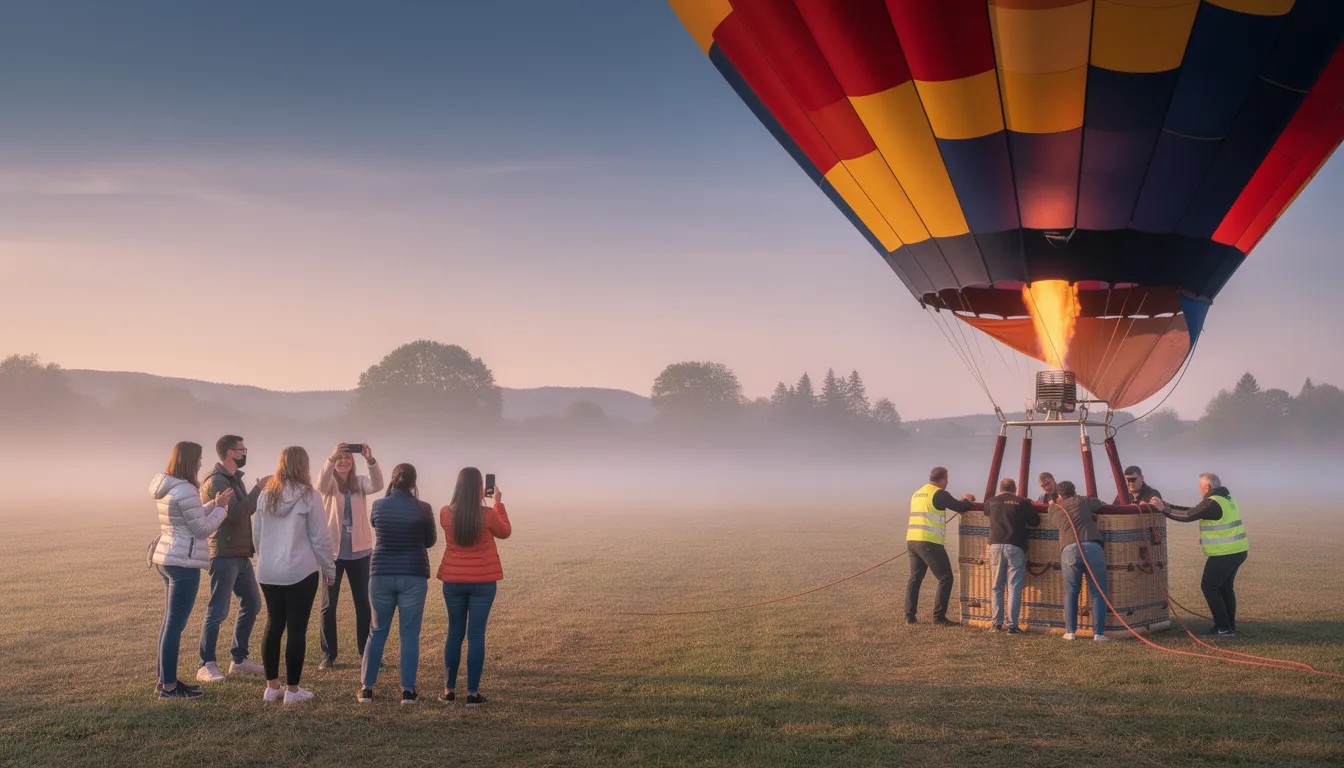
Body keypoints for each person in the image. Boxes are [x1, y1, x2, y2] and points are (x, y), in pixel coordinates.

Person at [149, 441, 234, 700]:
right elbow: (200, 529)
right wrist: (221, 511)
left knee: (169, 623)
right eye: (198, 459)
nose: (200, 463)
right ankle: (170, 687)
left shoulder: (169, 486)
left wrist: (213, 504)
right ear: (190, 461)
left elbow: (187, 518)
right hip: (183, 562)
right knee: (175, 624)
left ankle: (165, 681)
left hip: (167, 556)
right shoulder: (186, 489)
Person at [253, 446, 336, 704]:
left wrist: (265, 557)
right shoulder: (309, 495)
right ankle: (293, 689)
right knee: (296, 629)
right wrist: (329, 568)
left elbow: (257, 534)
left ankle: (272, 687)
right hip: (300, 570)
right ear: (304, 466)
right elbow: (320, 537)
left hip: (268, 571)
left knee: (273, 624)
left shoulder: (265, 495)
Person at [359, 463, 437, 705]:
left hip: (381, 573)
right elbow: (431, 541)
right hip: (412, 574)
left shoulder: (378, 505)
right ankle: (407, 691)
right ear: (414, 483)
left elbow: (376, 525)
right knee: (409, 634)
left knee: (377, 632)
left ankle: (366, 688)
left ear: (393, 481)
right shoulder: (423, 508)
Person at [437, 467, 512, 706]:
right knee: (476, 634)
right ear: (480, 487)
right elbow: (505, 532)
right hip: (483, 581)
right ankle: (472, 693)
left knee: (454, 633)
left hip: (453, 581)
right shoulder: (488, 515)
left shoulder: (446, 513)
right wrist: (497, 503)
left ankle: (449, 690)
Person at [196, 434, 265, 683]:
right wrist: (259, 488)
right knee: (218, 610)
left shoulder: (234, 479)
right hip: (224, 554)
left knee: (252, 603)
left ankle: (239, 659)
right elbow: (235, 513)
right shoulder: (216, 481)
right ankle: (206, 664)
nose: (245, 452)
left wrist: (255, 492)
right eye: (241, 449)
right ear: (229, 453)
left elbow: (247, 508)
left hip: (241, 553)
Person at [1152, 473, 1249, 637]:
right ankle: (1228, 626)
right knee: (1225, 588)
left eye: (1200, 485)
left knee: (1209, 587)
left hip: (1224, 553)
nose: (1199, 488)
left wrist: (1163, 511)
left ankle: (1223, 628)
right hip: (1238, 551)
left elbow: (1188, 516)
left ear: (1208, 487)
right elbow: (1195, 510)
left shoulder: (1212, 502)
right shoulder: (1225, 499)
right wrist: (1168, 505)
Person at [317, 442, 384, 670]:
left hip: (360, 551)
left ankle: (366, 652)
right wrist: (330, 457)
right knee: (329, 604)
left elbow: (378, 484)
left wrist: (370, 460)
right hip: (333, 553)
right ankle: (328, 654)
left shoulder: (359, 482)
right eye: (340, 458)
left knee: (364, 604)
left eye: (347, 458)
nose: (344, 461)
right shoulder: (330, 483)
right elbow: (320, 484)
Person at [906, 466, 975, 626]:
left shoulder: (918, 493)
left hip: (912, 540)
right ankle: (939, 618)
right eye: (947, 479)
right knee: (946, 578)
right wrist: (968, 498)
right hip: (929, 541)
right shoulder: (939, 493)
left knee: (915, 578)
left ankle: (909, 615)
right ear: (943, 480)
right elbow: (960, 507)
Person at [1048, 481, 1110, 642]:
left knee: (1071, 592)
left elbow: (1054, 522)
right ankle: (1098, 634)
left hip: (1069, 550)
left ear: (1059, 495)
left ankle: (1070, 632)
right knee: (1098, 593)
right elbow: (1099, 504)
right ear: (1074, 492)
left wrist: (1053, 504)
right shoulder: (1083, 501)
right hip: (1092, 548)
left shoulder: (1055, 507)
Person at [983, 478, 1038, 634]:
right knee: (1013, 587)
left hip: (995, 545)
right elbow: (1035, 521)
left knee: (997, 586)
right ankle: (1012, 626)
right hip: (1015, 546)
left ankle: (996, 624)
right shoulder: (1022, 502)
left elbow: (986, 512)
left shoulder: (991, 501)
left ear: (1000, 489)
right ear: (1015, 489)